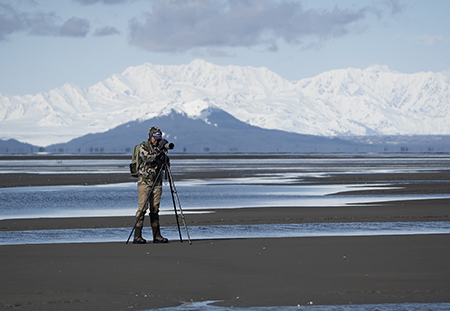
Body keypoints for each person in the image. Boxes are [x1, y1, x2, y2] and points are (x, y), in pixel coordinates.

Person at [133, 126, 169, 244]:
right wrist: (158, 150)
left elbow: (166, 163)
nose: (156, 140)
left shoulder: (161, 148)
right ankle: (137, 236)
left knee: (155, 209)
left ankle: (157, 235)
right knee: (142, 208)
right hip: (145, 181)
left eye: (159, 138)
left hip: (157, 181)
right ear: (150, 137)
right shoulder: (144, 146)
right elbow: (147, 158)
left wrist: (164, 153)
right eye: (155, 138)